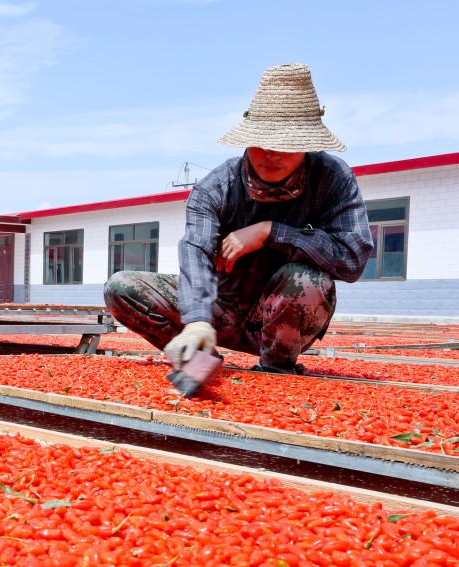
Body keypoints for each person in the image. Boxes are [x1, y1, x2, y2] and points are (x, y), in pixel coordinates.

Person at [104, 63, 373, 376]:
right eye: (261, 141)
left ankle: (275, 370)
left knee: (307, 279)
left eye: (285, 144)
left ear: (307, 145)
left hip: (284, 320)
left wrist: (272, 233)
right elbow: (196, 253)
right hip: (220, 311)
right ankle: (200, 357)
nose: (271, 154)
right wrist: (197, 320)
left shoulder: (332, 179)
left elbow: (352, 259)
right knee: (121, 287)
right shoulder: (215, 189)